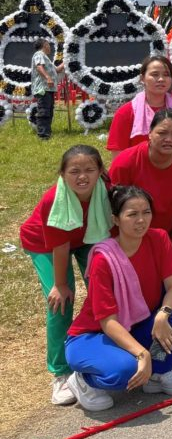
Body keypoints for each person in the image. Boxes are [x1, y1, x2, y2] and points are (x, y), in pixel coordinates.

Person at [64, 186, 172, 411]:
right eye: (132, 214)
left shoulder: (159, 238)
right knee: (125, 369)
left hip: (136, 325)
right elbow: (108, 321)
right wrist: (141, 353)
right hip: (91, 336)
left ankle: (158, 373)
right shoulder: (103, 258)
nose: (141, 220)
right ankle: (83, 381)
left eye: (146, 212)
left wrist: (162, 316)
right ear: (116, 219)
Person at [21, 146, 112, 405]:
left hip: (86, 237)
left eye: (89, 170)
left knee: (103, 288)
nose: (82, 177)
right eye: (74, 171)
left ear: (100, 172)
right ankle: (60, 373)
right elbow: (59, 247)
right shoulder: (54, 200)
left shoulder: (106, 188)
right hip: (45, 243)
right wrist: (60, 285)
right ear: (62, 174)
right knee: (61, 301)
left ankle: (101, 348)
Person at [109, 108, 172, 254]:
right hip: (128, 235)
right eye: (162, 133)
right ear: (150, 134)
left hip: (171, 233)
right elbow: (115, 211)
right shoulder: (125, 162)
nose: (169, 139)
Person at [107, 56, 172, 152]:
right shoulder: (125, 113)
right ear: (142, 78)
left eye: (166, 74)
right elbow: (118, 158)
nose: (161, 79)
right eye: (155, 74)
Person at [30, 37, 59, 140]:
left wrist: (67, 61)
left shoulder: (46, 58)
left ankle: (47, 132)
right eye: (48, 44)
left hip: (49, 89)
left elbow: (57, 70)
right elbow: (39, 67)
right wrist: (48, 78)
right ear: (44, 45)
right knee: (44, 111)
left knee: (49, 111)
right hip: (43, 88)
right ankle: (42, 135)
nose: (49, 46)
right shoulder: (39, 54)